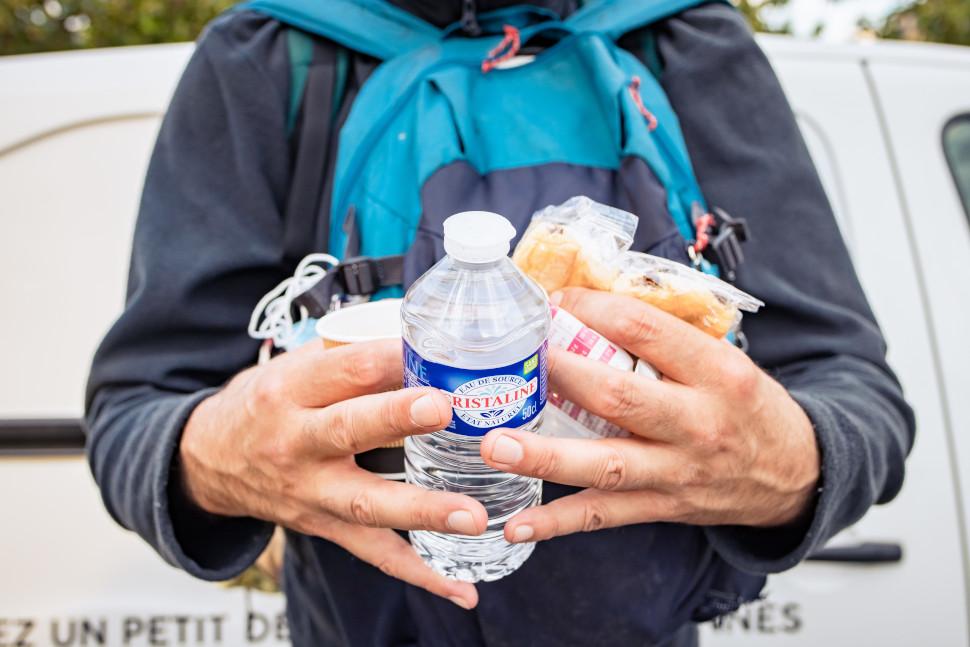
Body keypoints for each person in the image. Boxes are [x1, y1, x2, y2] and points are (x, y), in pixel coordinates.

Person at [84, 1, 914, 645]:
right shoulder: (269, 55)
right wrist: (217, 456)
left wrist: (793, 460)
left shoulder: (690, 40)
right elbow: (133, 414)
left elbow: (857, 396)